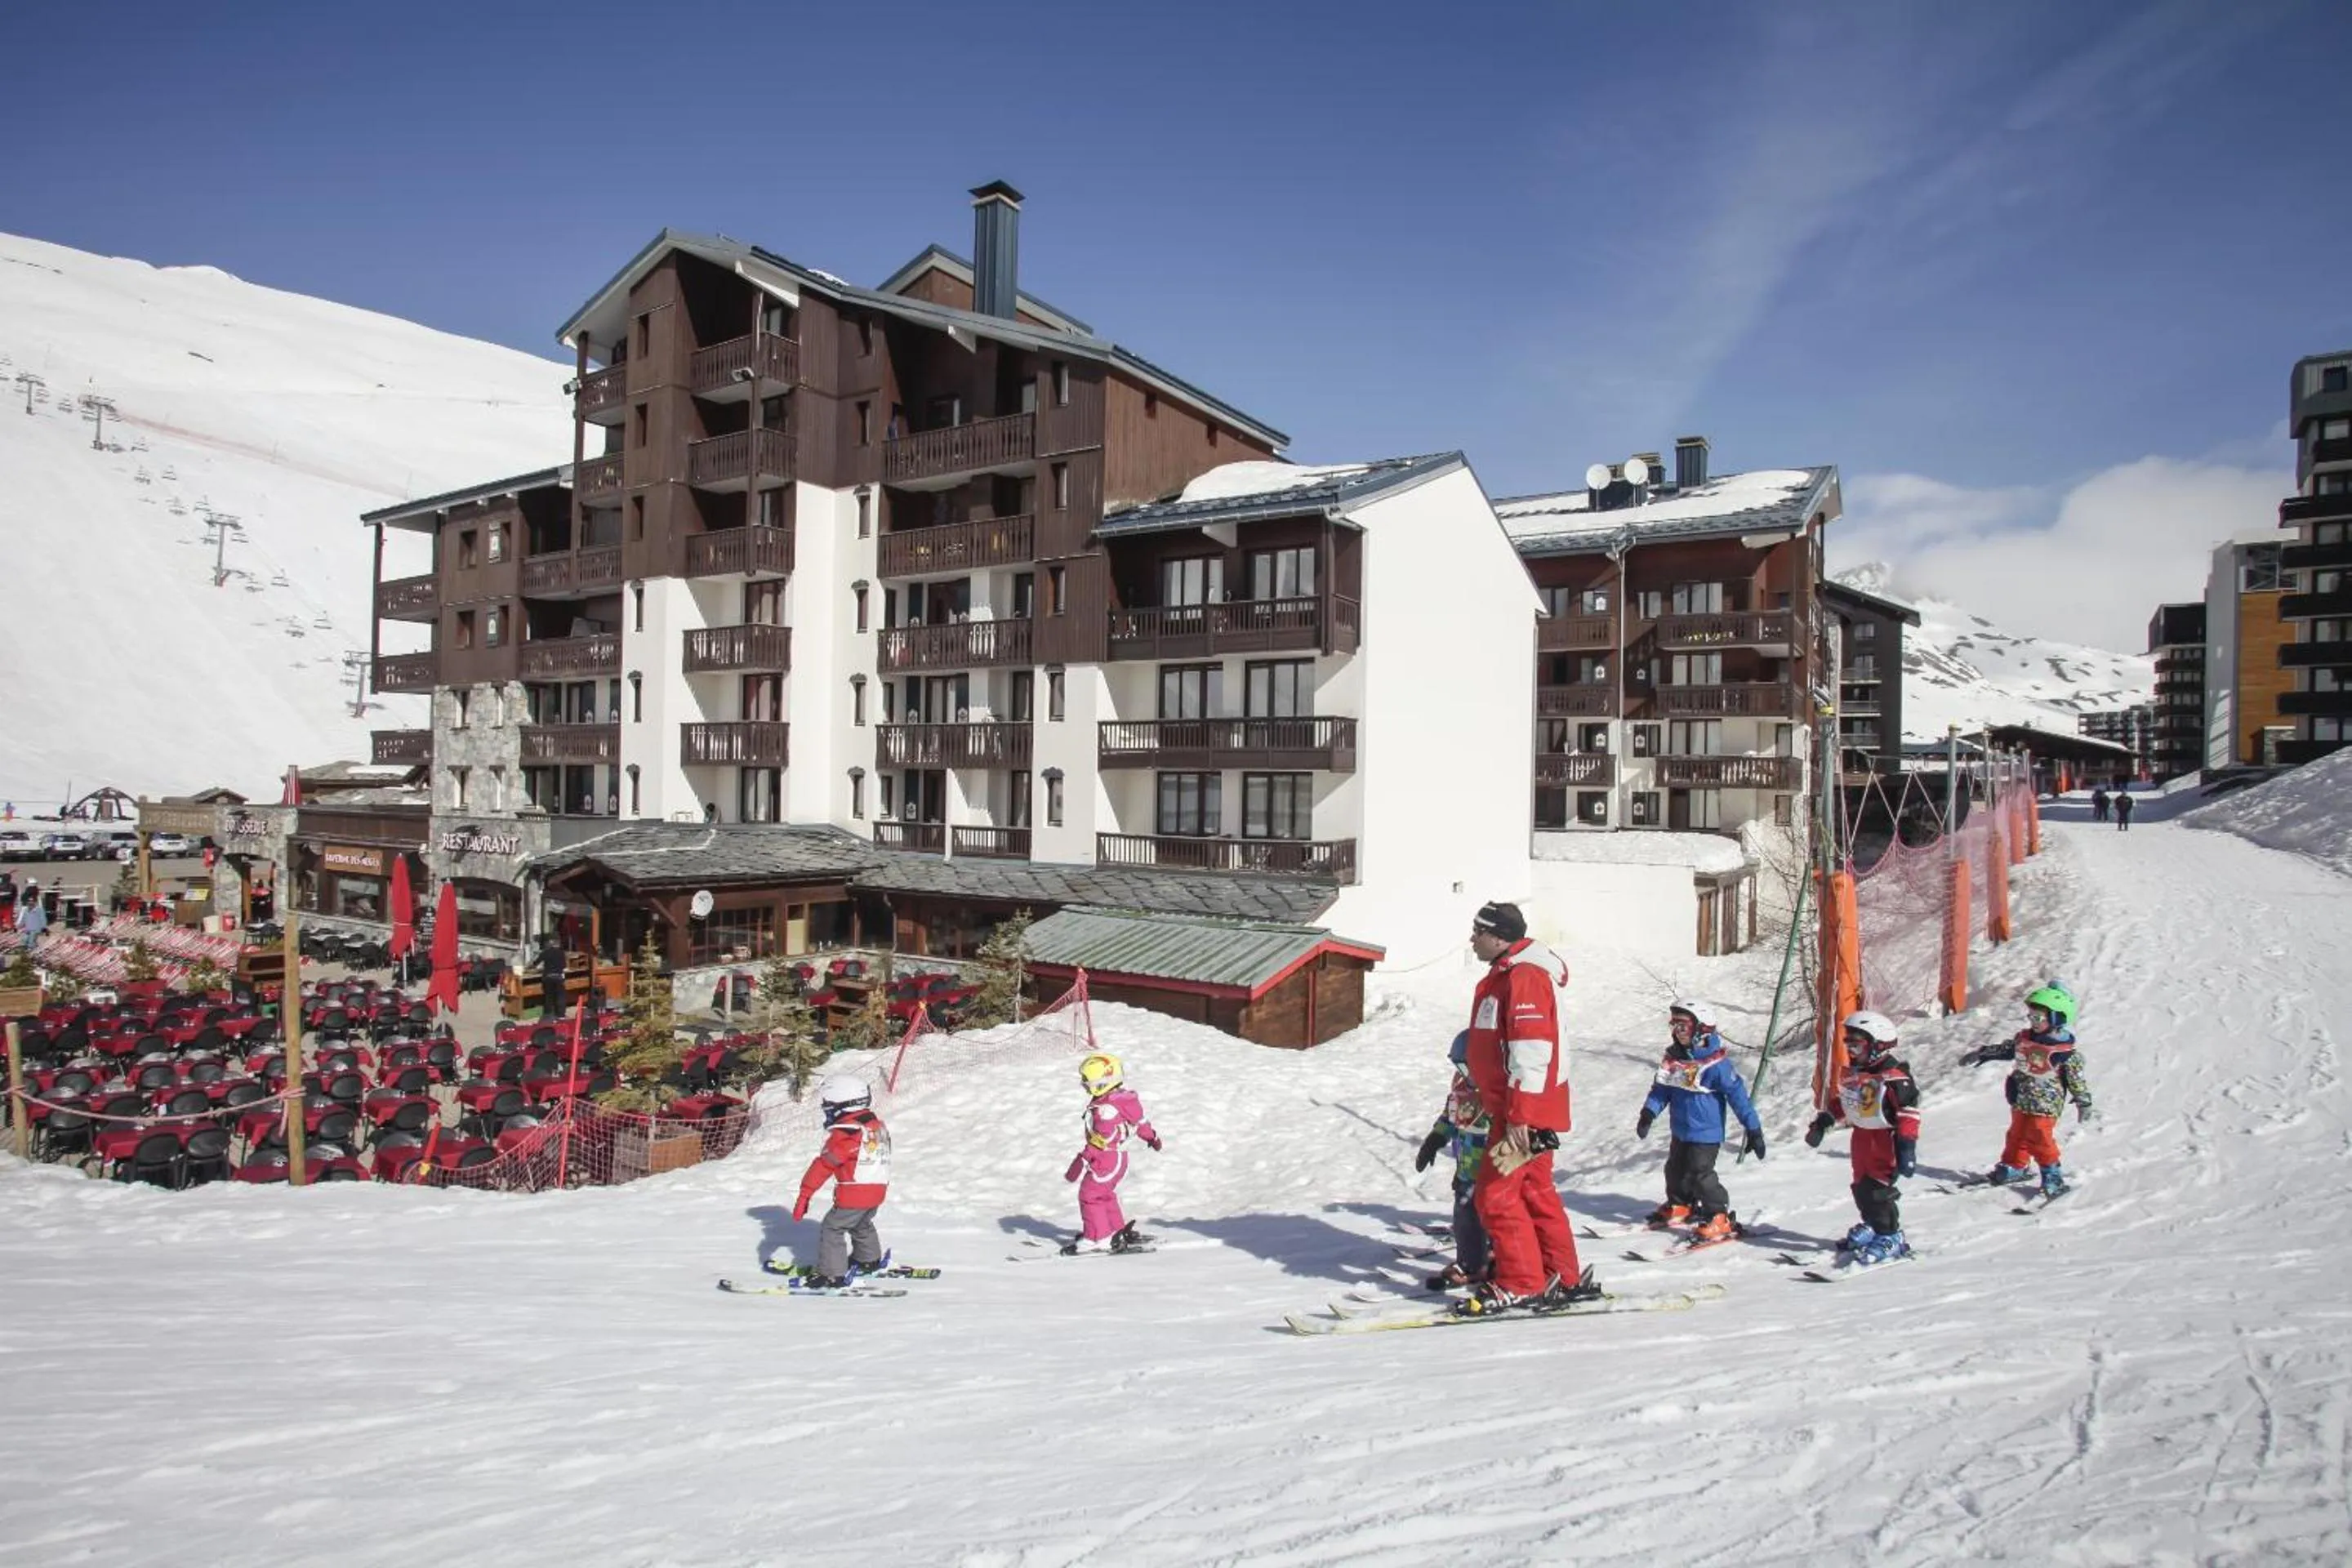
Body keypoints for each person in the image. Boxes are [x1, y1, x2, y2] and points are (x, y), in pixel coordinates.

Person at [1462, 901, 1592, 1311]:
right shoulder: (1509, 974)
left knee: (1495, 1196)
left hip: (1524, 1111)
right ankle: (1562, 1276)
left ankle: (1523, 1281)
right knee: (1535, 1191)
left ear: (1499, 937)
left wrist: (1521, 1113)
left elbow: (1531, 1048)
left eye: (1478, 932)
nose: (1472, 939)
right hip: (1519, 1107)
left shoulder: (1525, 976)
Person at [1635, 1000, 1766, 1241]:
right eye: (1674, 1026)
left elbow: (1738, 1097)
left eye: (1683, 1026)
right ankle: (1681, 1205)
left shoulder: (1716, 1065)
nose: (1677, 1032)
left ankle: (1718, 1215)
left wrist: (1753, 1128)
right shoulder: (1674, 1060)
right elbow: (1661, 1090)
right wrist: (1648, 1113)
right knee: (1674, 1169)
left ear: (1701, 1030)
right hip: (1681, 1130)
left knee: (1700, 1173)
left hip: (1706, 1133)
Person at [1804, 1010, 1922, 1266]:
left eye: (1857, 1046)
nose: (1852, 1052)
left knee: (1877, 1189)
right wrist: (1824, 1122)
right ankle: (1872, 1224)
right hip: (1861, 1138)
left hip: (1883, 1140)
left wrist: (1906, 1147)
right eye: (1849, 1045)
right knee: (1861, 1187)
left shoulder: (1895, 1079)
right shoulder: (1859, 1074)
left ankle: (1891, 1235)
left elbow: (1908, 1113)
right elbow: (1844, 1103)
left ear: (1878, 1045)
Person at [1962, 982, 2093, 1198]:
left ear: (2057, 1019)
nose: (2033, 1022)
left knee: (2040, 1137)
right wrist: (1983, 1053)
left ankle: (2052, 1175)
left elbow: (2076, 1080)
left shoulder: (2065, 1053)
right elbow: (2007, 1050)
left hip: (2046, 1103)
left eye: (2038, 1018)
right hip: (2021, 1096)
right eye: (2031, 1016)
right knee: (2017, 1133)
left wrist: (2083, 1100)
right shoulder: (2025, 1039)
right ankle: (2015, 1165)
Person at [791, 1076, 892, 1286]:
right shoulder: (875, 1127)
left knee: (832, 1228)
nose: (827, 1111)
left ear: (842, 1104)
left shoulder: (845, 1133)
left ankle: (831, 1273)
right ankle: (868, 1260)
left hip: (854, 1192)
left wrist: (805, 1194)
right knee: (861, 1222)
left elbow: (824, 1165)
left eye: (829, 1106)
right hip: (877, 1191)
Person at [1413, 1030, 1490, 1289]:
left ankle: (1495, 1259)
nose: (1461, 1073)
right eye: (1459, 1067)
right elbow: (1450, 1117)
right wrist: (1434, 1141)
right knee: (1465, 1216)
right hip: (1468, 1170)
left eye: (1465, 1066)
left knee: (1495, 1217)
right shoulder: (1462, 1090)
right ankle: (1472, 1262)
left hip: (1493, 1172)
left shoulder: (1494, 1094)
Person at [1064, 1051, 1160, 1254]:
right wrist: (1152, 1137)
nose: (1083, 1084)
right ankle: (1115, 1230)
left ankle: (1098, 1238)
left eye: (1086, 1081)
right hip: (1117, 1158)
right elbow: (1141, 1124)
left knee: (1089, 1195)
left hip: (1106, 1158)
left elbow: (1102, 1139)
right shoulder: (1119, 1101)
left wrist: (1084, 1158)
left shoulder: (1106, 1109)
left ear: (1102, 1082)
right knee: (1104, 1194)